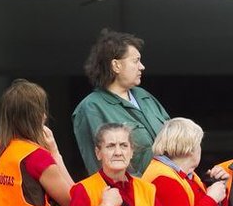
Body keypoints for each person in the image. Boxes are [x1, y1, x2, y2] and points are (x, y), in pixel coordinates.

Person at [73, 29, 170, 177]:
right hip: (134, 195)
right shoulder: (91, 108)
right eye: (136, 60)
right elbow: (99, 166)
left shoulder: (144, 96)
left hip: (171, 188)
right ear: (116, 65)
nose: (142, 66)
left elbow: (176, 138)